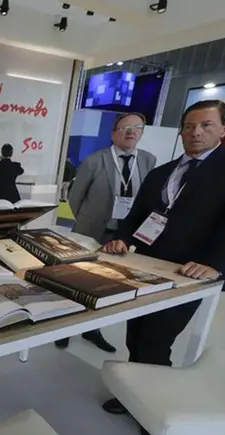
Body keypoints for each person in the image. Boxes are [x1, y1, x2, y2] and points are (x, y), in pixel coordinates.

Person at [101, 100, 225, 435]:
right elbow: (137, 216)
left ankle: (154, 407)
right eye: (190, 126)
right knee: (136, 333)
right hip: (146, 266)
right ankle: (133, 391)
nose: (196, 133)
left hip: (191, 273)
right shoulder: (162, 172)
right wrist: (120, 239)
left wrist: (217, 265)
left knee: (156, 339)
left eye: (206, 125)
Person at [57, 113, 157, 353]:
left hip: (123, 236)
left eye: (136, 127)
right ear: (113, 133)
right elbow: (74, 198)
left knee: (108, 283)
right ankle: (64, 328)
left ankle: (93, 329)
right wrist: (88, 220)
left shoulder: (148, 160)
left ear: (142, 132)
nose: (131, 132)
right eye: (124, 128)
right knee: (77, 280)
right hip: (91, 231)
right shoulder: (94, 160)